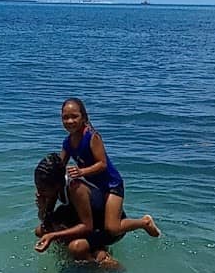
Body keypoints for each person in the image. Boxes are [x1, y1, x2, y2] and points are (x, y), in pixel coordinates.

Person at [59, 97, 160, 242]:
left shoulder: (92, 137)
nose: (70, 121)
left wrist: (81, 172)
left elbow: (102, 164)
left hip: (111, 185)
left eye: (74, 116)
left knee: (112, 228)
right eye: (65, 117)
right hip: (94, 186)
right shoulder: (67, 142)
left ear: (84, 117)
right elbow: (59, 166)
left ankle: (144, 222)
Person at [33, 153, 122, 269]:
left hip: (104, 226)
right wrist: (42, 207)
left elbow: (87, 226)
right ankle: (88, 252)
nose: (39, 192)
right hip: (83, 219)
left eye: (42, 189)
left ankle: (99, 261)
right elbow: (46, 221)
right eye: (37, 187)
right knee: (41, 231)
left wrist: (53, 236)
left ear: (57, 185)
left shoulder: (75, 187)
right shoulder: (54, 187)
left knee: (76, 247)